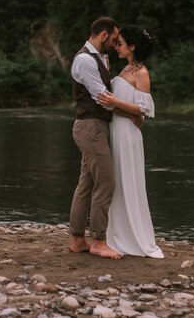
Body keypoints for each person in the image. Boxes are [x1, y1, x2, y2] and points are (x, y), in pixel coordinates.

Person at [98, 25, 164, 258]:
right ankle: (115, 235)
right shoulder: (124, 69)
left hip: (128, 134)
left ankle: (133, 237)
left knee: (128, 181)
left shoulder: (141, 73)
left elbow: (143, 111)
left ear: (133, 47)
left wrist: (114, 102)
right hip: (115, 130)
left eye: (121, 43)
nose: (117, 46)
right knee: (115, 181)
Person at [69, 16, 123, 259]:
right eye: (112, 39)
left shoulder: (101, 58)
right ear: (103, 35)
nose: (114, 43)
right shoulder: (84, 60)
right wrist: (134, 112)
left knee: (87, 184)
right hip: (90, 127)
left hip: (95, 127)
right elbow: (102, 96)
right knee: (106, 182)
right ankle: (99, 241)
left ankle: (77, 239)